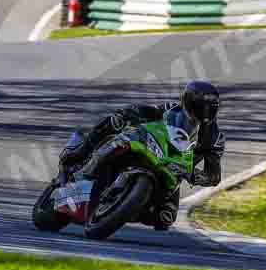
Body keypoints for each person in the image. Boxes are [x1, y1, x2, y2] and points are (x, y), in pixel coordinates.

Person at [57, 80, 225, 231]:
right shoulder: (171, 110)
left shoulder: (215, 138)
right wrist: (130, 114)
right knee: (116, 122)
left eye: (210, 107)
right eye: (200, 105)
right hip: (151, 151)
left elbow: (214, 176)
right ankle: (82, 151)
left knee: (164, 219)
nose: (205, 111)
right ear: (187, 101)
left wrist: (194, 175)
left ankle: (124, 207)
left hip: (172, 172)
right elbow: (147, 111)